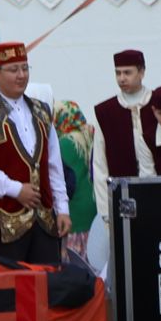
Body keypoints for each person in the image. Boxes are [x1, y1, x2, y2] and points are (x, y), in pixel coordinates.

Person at [0, 41, 71, 266]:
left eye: (25, 68)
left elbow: (53, 164)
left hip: (44, 221)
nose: (21, 75)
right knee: (7, 293)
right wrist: (14, 189)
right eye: (13, 70)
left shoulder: (41, 110)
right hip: (2, 223)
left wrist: (62, 208)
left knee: (46, 288)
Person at [91, 50, 155, 189]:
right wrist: (105, 208)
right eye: (118, 73)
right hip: (122, 191)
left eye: (127, 72)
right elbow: (100, 163)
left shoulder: (157, 103)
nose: (122, 78)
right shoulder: (105, 111)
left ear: (142, 72)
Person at [54, 102, 99, 262]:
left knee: (76, 264)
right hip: (94, 208)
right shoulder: (91, 136)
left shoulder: (64, 143)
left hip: (75, 212)